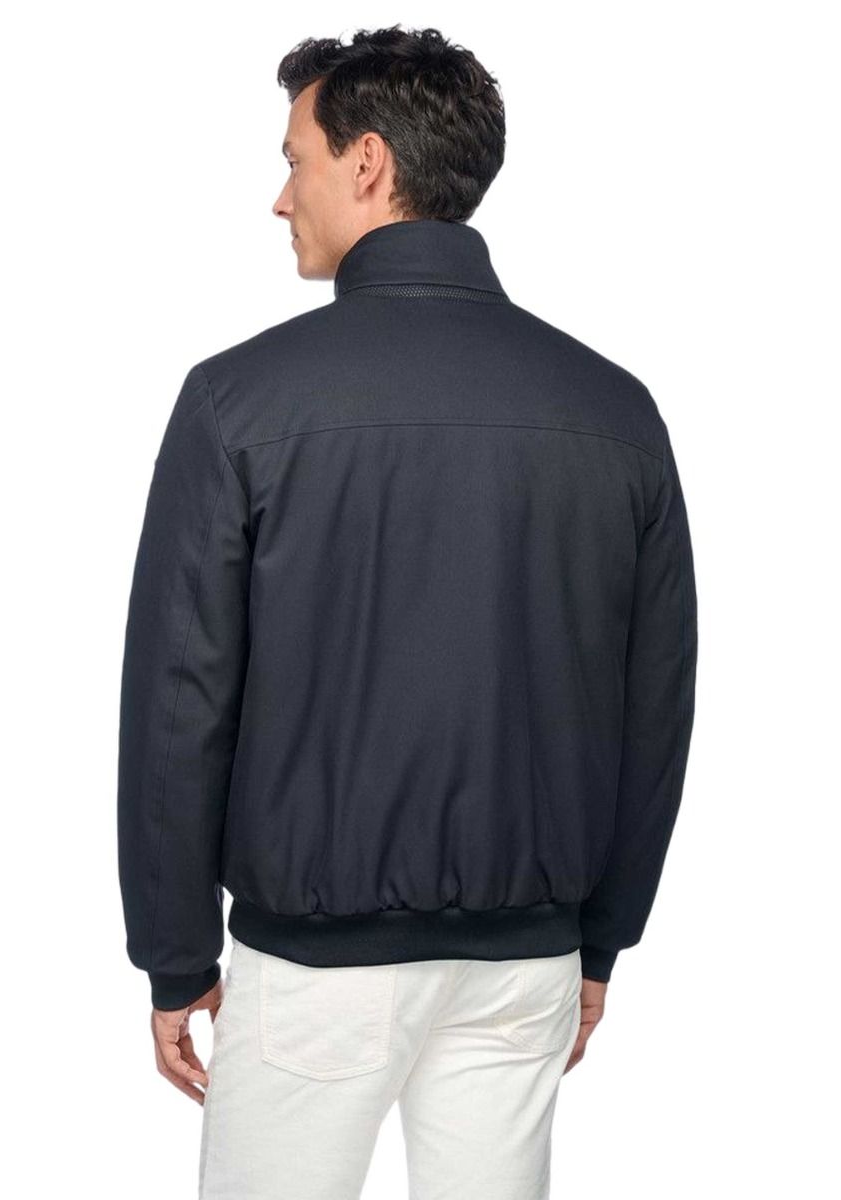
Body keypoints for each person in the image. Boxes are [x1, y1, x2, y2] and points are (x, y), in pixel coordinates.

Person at [117, 24, 698, 1200]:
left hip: (311, 973)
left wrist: (173, 955)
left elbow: (181, 700)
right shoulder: (615, 411)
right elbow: (654, 709)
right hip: (526, 965)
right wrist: (600, 938)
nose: (281, 197)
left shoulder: (237, 402)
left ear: (368, 162)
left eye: (295, 161)